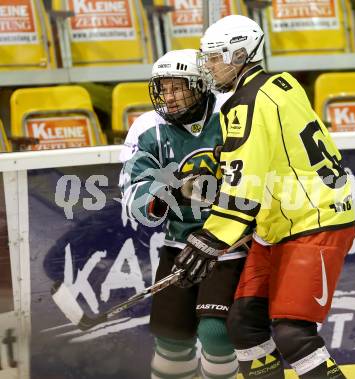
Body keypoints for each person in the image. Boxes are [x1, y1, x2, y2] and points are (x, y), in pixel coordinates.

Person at [173, 15, 355, 379]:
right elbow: (270, 155)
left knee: (293, 333)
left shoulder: (244, 104)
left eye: (212, 58)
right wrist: (220, 170)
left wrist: (210, 239)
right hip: (279, 224)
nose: (207, 67)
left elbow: (246, 184)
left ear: (238, 55)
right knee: (243, 325)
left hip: (313, 222)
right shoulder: (281, 84)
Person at [119, 49, 246, 379]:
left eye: (178, 87)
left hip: (231, 243)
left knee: (216, 334)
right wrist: (170, 192)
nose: (169, 97)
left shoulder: (232, 113)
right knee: (171, 340)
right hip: (181, 244)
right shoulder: (149, 127)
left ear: (201, 85)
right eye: (163, 88)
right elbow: (133, 188)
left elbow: (263, 172)